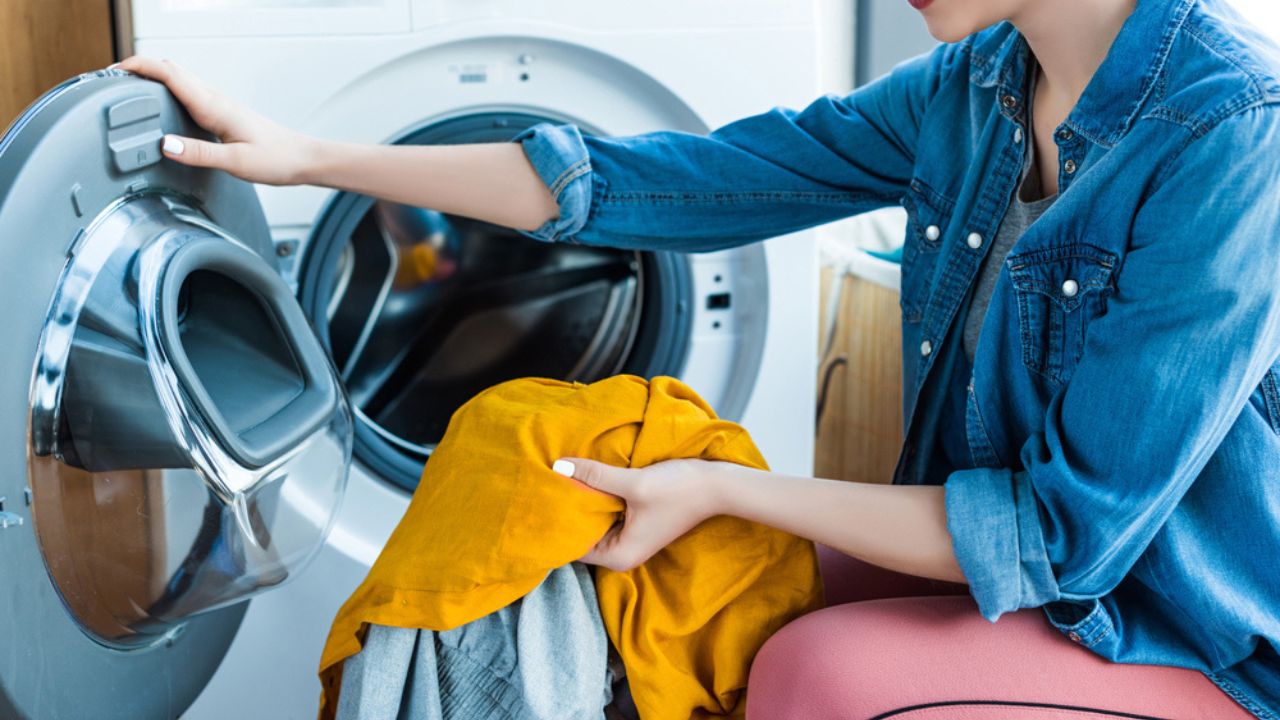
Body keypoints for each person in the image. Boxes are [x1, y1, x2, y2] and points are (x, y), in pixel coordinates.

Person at [116, 0, 1280, 716]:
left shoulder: (1232, 130)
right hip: (992, 566)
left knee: (810, 670)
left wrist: (722, 483)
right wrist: (308, 158)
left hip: (1176, 622)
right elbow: (650, 182)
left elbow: (1060, 540)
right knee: (578, 512)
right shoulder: (971, 88)